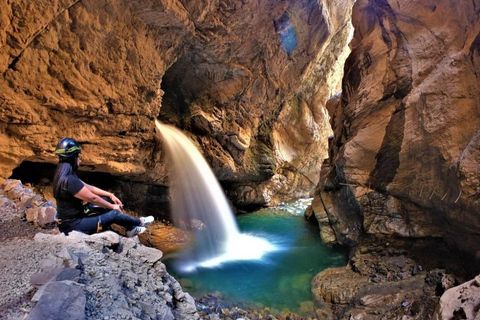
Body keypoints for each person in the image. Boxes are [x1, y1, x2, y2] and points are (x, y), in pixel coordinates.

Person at [53, 137, 154, 237]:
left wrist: (110, 195)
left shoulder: (63, 175)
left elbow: (89, 188)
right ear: (73, 158)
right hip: (73, 225)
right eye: (78, 156)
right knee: (113, 214)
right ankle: (139, 222)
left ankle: (130, 229)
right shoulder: (69, 180)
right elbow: (93, 198)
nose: (79, 160)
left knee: (106, 199)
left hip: (77, 216)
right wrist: (112, 207)